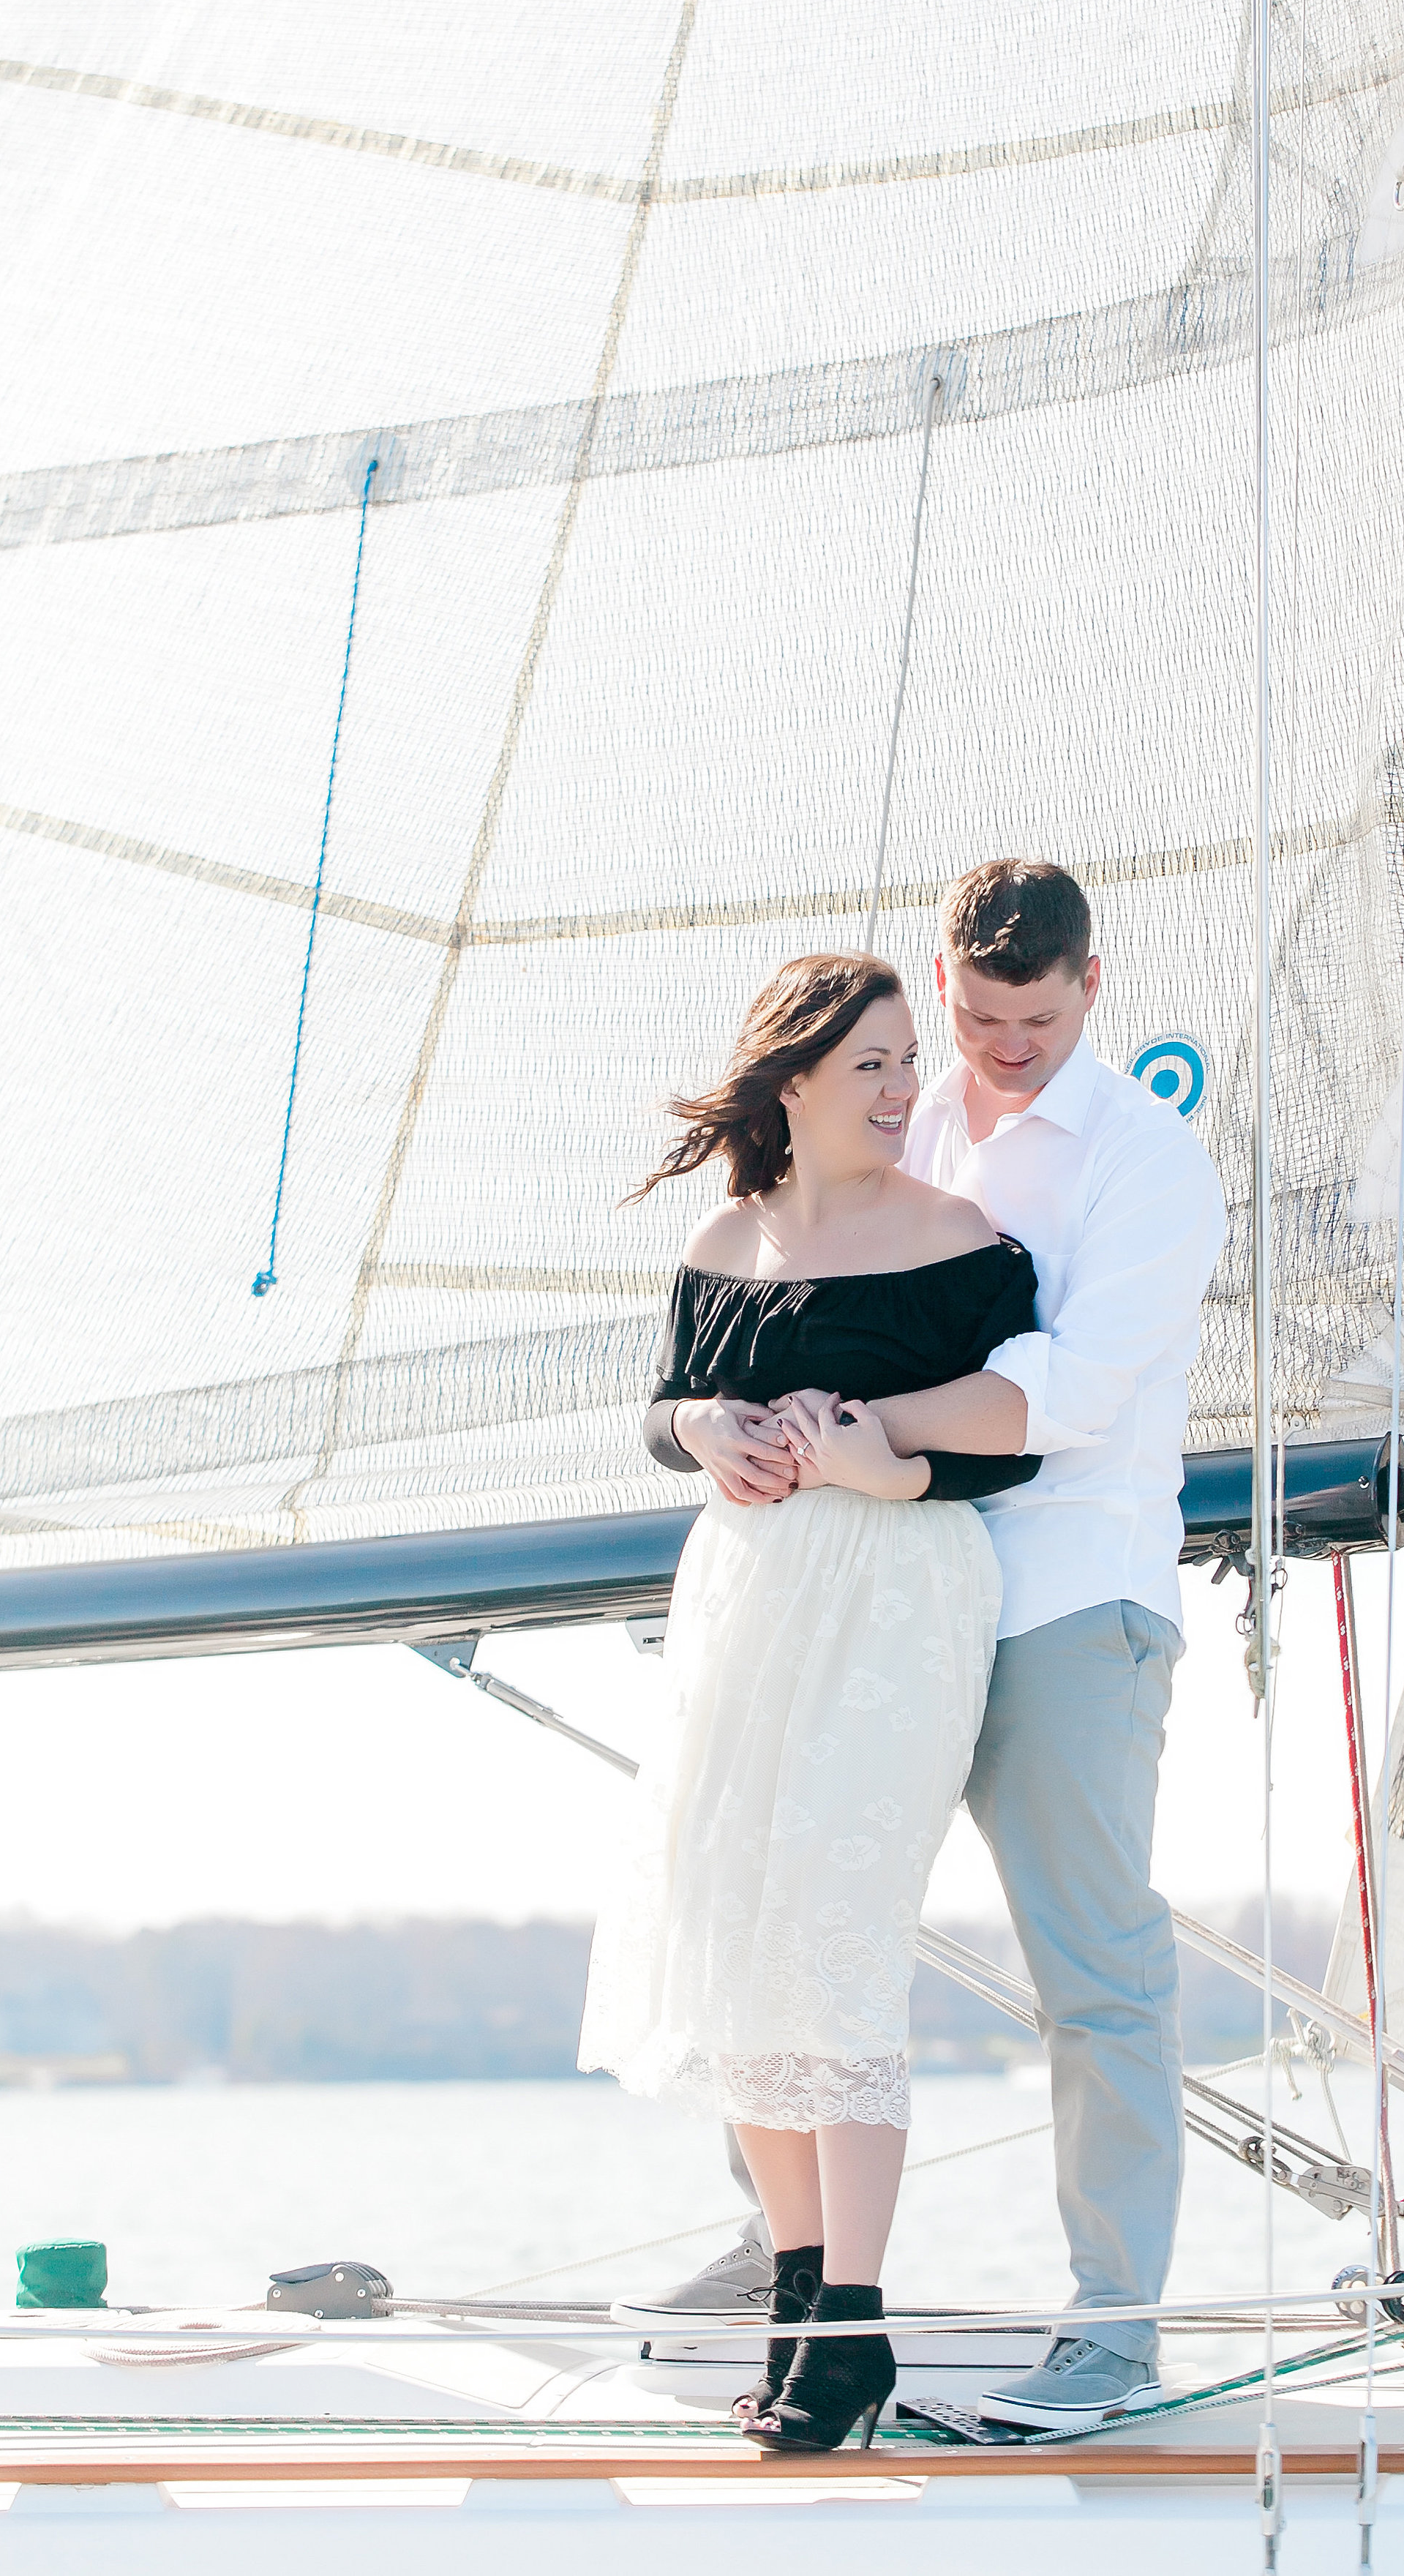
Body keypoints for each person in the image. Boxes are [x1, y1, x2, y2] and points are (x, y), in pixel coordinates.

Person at [626, 860, 1227, 2432]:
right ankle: (798, 2274)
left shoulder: (1147, 1165)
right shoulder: (899, 1104)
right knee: (772, 1914)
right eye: (973, 1017)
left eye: (1031, 1020)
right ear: (939, 985)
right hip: (854, 1589)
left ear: (1092, 987)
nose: (997, 1048)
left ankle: (1114, 2328)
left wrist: (847, 1436)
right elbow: (762, 1303)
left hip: (1057, 1597)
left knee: (1093, 1975)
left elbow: (1069, 1388)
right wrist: (713, 1426)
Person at [577, 950, 1040, 2453]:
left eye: (911, 1063)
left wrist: (875, 1454)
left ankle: (849, 2323)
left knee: (833, 1944)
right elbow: (663, 1407)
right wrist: (701, 1421)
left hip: (898, 1599)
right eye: (873, 1067)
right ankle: (797, 2308)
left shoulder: (959, 1234)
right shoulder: (726, 1236)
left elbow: (1016, 1425)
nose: (907, 1091)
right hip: (746, 1601)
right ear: (792, 1083)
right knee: (739, 1940)